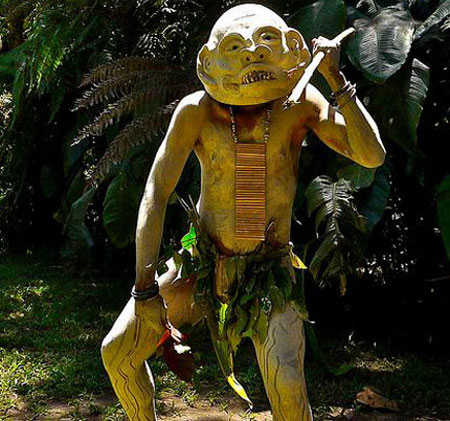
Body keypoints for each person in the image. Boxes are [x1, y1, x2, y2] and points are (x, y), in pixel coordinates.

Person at [100, 4, 386, 420]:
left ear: (291, 47)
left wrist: (335, 79)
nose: (253, 55)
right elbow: (156, 193)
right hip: (202, 264)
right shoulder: (197, 111)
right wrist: (145, 289)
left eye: (266, 42)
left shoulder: (299, 104)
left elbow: (371, 155)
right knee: (118, 353)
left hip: (268, 271)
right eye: (237, 47)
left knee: (287, 385)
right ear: (209, 61)